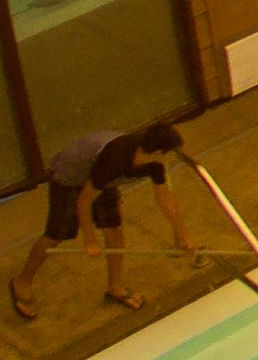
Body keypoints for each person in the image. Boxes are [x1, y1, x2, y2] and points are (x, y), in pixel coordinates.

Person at [11, 122, 192, 321]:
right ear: (158, 151)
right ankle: (22, 282)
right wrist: (90, 239)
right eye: (168, 152)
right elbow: (83, 202)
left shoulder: (153, 163)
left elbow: (165, 199)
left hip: (101, 178)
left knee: (114, 229)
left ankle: (115, 286)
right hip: (70, 177)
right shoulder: (115, 159)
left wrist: (182, 235)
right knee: (56, 235)